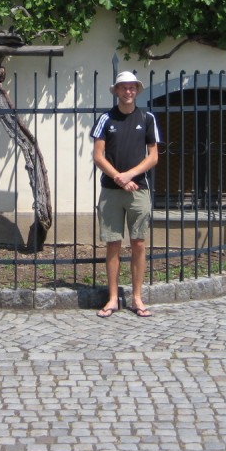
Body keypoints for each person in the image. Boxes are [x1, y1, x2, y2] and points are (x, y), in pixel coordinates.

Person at [91, 70, 160, 317]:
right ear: (117, 91)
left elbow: (153, 157)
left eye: (132, 88)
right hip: (111, 191)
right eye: (123, 88)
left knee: (139, 243)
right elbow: (98, 156)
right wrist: (119, 178)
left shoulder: (147, 118)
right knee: (113, 244)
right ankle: (112, 298)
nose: (128, 91)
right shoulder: (105, 119)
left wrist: (129, 176)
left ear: (136, 91)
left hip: (138, 190)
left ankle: (137, 298)